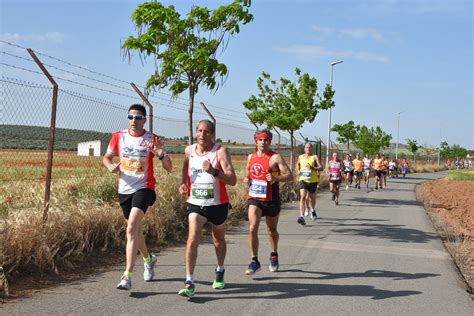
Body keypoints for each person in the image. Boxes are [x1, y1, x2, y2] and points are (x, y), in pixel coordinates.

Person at [103, 104, 173, 291]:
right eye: (131, 117)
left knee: (132, 227)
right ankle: (149, 259)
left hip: (144, 187)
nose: (134, 120)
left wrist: (160, 154)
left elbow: (169, 167)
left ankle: (127, 275)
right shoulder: (119, 136)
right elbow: (107, 157)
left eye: (138, 117)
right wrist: (110, 166)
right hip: (124, 189)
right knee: (134, 230)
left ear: (144, 119)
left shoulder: (152, 139)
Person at [177, 120, 237, 298]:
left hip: (217, 204)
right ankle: (189, 280)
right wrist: (183, 183)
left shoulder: (220, 152)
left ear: (213, 134)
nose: (202, 135)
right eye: (199, 131)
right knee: (193, 236)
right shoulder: (189, 150)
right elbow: (185, 168)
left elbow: (232, 180)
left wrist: (215, 172)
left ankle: (220, 269)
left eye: (207, 132)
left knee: (218, 240)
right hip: (195, 203)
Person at [244, 129, 292, 275]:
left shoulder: (275, 157)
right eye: (260, 139)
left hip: (271, 197)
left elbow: (289, 175)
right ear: (256, 141)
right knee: (252, 228)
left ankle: (274, 254)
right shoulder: (250, 157)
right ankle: (254, 261)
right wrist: (247, 179)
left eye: (266, 140)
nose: (263, 142)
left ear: (270, 142)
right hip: (254, 197)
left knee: (272, 231)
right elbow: (248, 173)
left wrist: (276, 179)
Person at [296, 143, 323, 224]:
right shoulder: (300, 157)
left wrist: (312, 168)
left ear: (312, 149)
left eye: (310, 147)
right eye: (307, 147)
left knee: (312, 198)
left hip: (313, 180)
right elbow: (297, 166)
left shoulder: (314, 157)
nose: (308, 148)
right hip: (303, 179)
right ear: (304, 149)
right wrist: (297, 171)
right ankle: (301, 216)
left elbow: (321, 168)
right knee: (303, 197)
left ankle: (313, 210)